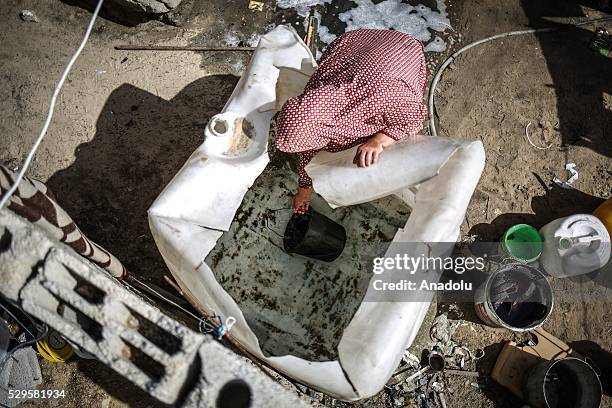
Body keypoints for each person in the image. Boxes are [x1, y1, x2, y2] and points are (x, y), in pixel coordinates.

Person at [275, 29, 428, 213]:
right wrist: (304, 191)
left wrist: (378, 141)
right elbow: (308, 155)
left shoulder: (387, 99)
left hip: (402, 51)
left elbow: (415, 118)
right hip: (357, 45)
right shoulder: (316, 94)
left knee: (403, 107)